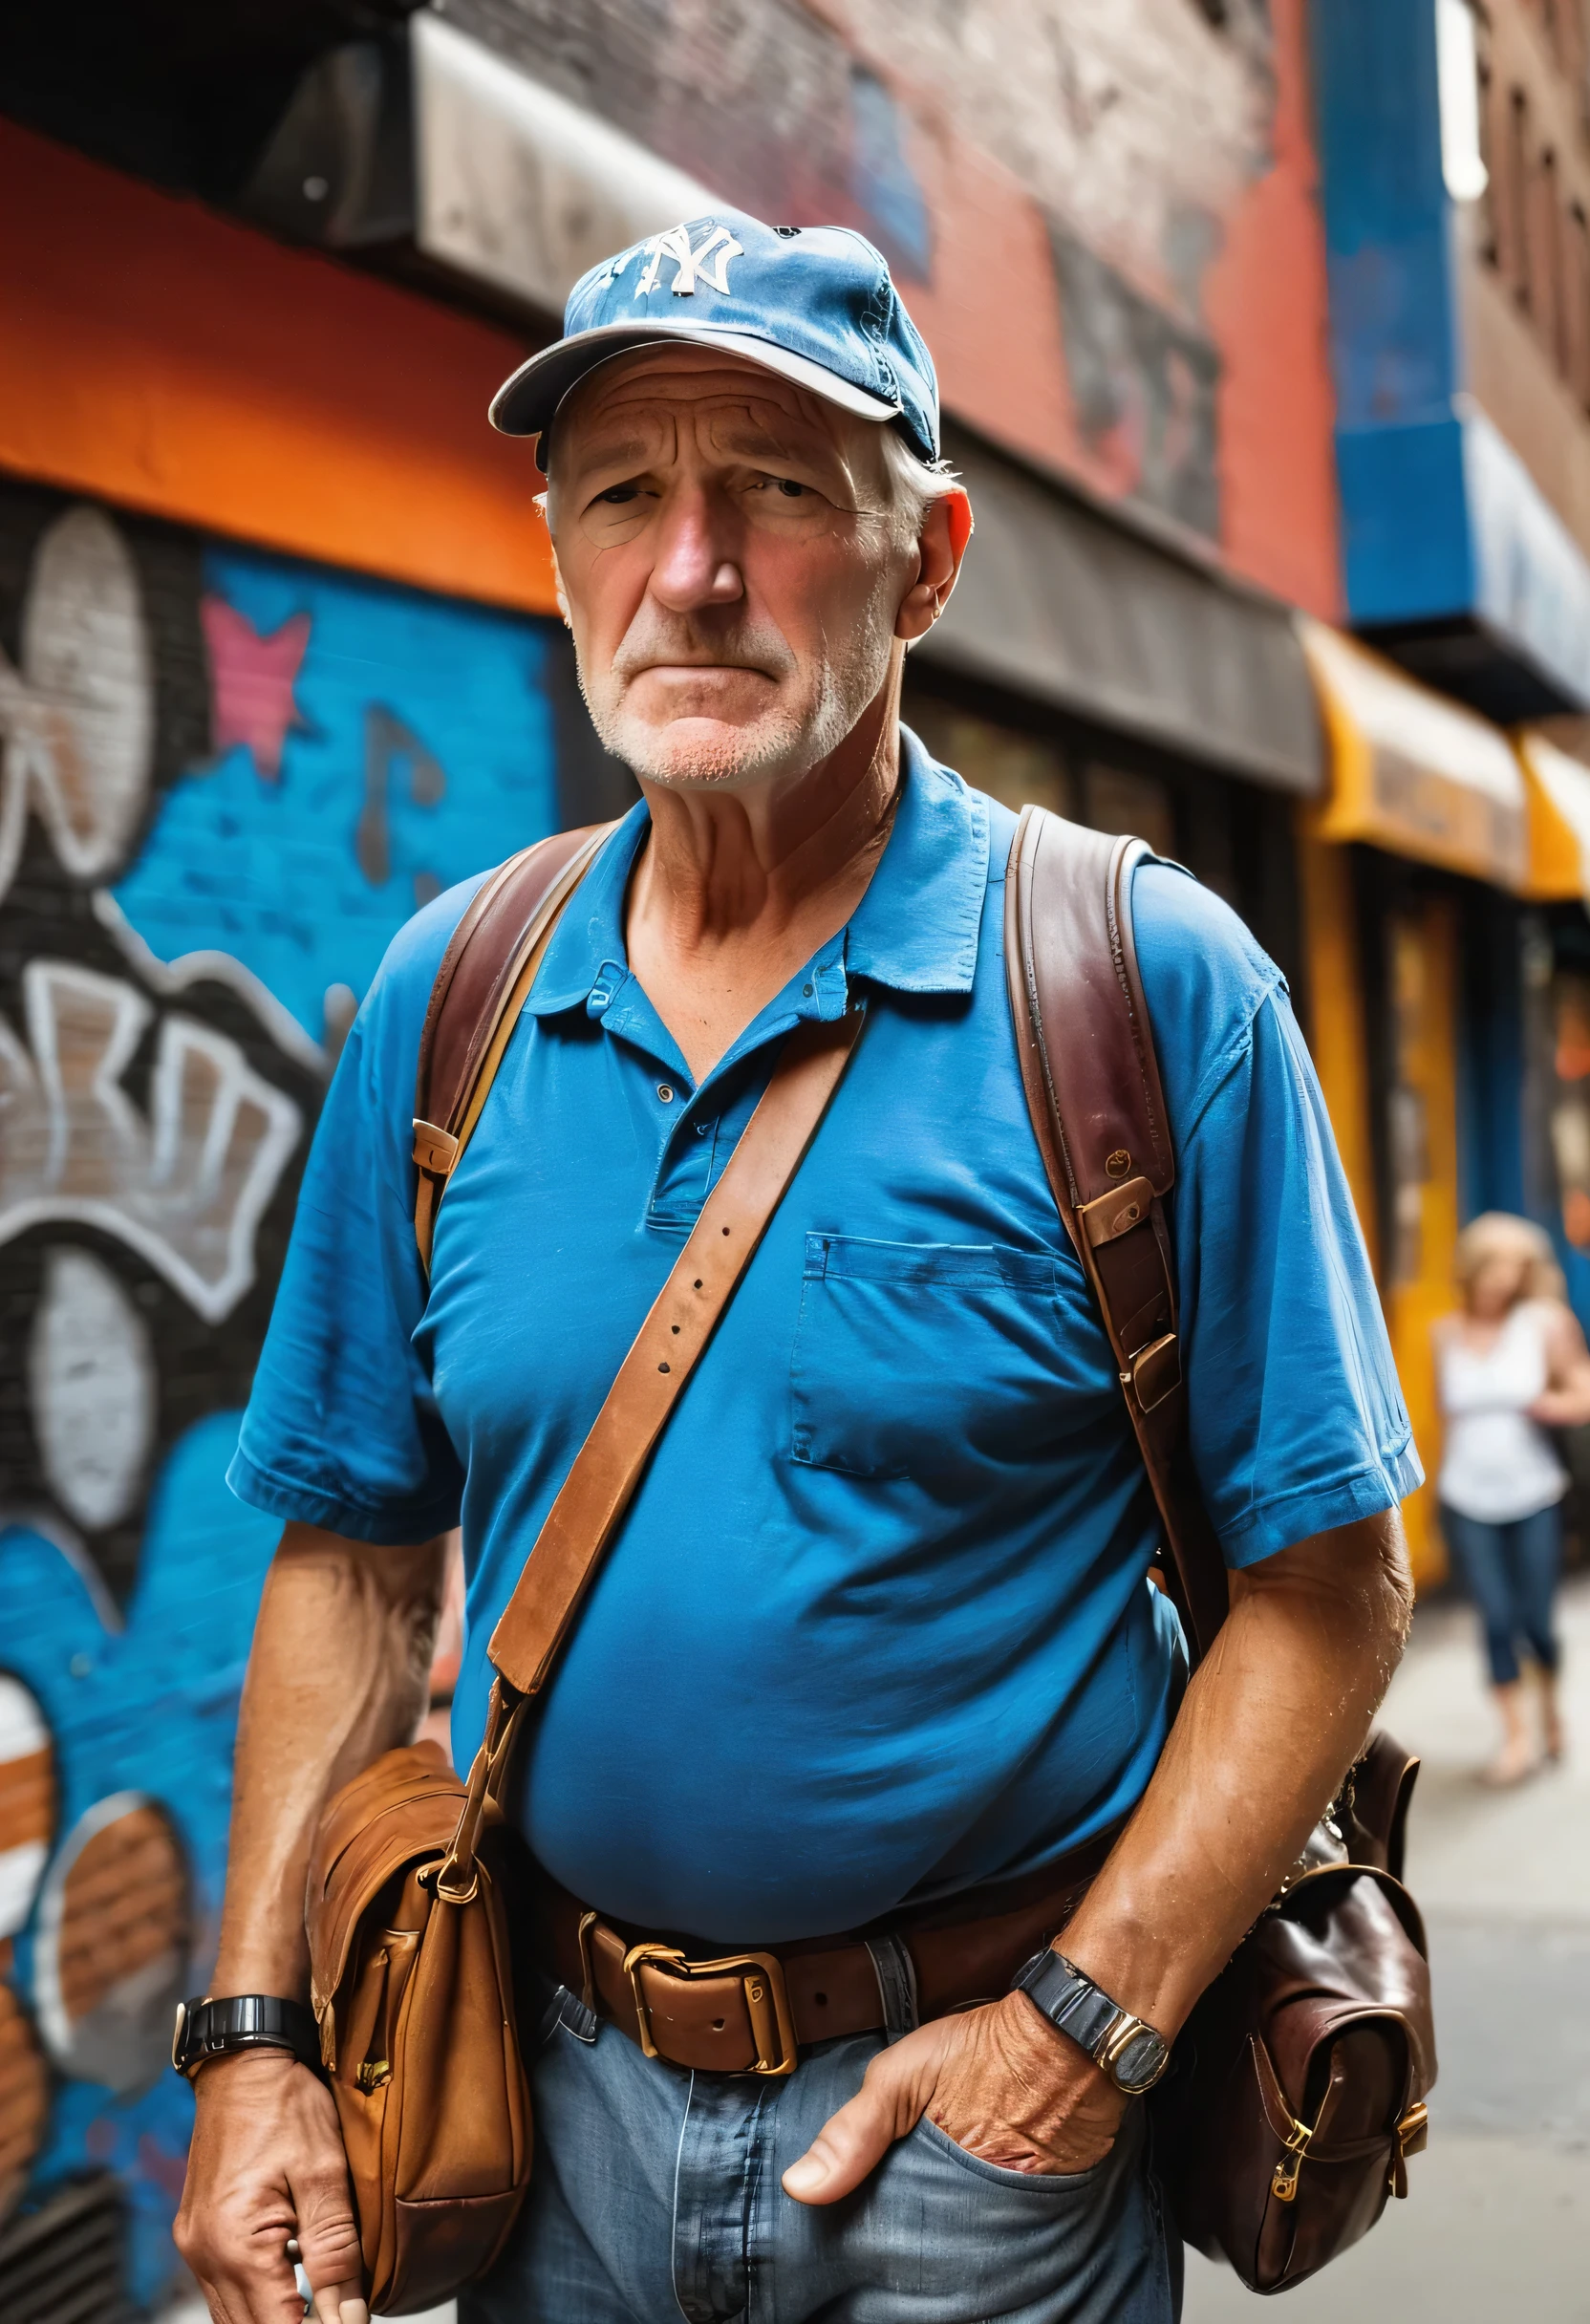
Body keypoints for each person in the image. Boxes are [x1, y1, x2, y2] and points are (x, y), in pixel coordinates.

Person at [174, 211, 1418, 2324]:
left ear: (926, 558)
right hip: (537, 2124)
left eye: (772, 490)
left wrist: (1076, 2038)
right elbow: (354, 1559)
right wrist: (258, 2038)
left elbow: (1328, 1588)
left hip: (973, 2156)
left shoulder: (1133, 986)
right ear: (556, 548)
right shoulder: (450, 992)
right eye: (627, 495)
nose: (691, 571)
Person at [1434, 1211, 1590, 1784]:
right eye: (1494, 1265)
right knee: (1495, 1618)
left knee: (1537, 1622)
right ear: (1471, 1269)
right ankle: (1516, 1737)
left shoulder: (1544, 1323)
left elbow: (1583, 1391)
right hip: (1466, 1496)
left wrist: (1554, 1404)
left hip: (1534, 1493)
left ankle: (1549, 1706)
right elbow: (1444, 1418)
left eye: (1515, 1267)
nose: (1503, 1278)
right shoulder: (1444, 1333)